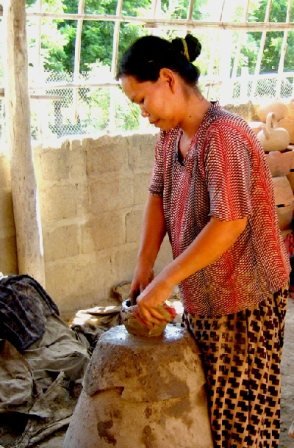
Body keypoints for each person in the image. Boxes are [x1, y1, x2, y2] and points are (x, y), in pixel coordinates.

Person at [116, 33, 290, 447]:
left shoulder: (223, 136)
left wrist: (164, 283)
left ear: (168, 79)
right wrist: (144, 267)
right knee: (209, 404)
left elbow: (228, 224)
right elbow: (158, 195)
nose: (142, 113)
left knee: (242, 422)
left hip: (248, 297)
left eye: (141, 100)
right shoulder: (170, 136)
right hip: (205, 293)